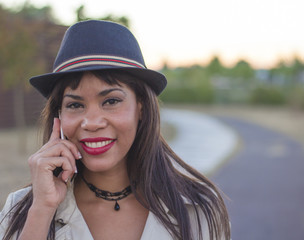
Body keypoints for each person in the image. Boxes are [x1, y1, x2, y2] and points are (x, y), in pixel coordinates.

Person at [0, 20, 230, 240]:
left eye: (110, 101)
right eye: (75, 105)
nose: (91, 122)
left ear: (141, 108)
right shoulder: (22, 209)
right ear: (59, 115)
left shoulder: (199, 210)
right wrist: (42, 210)